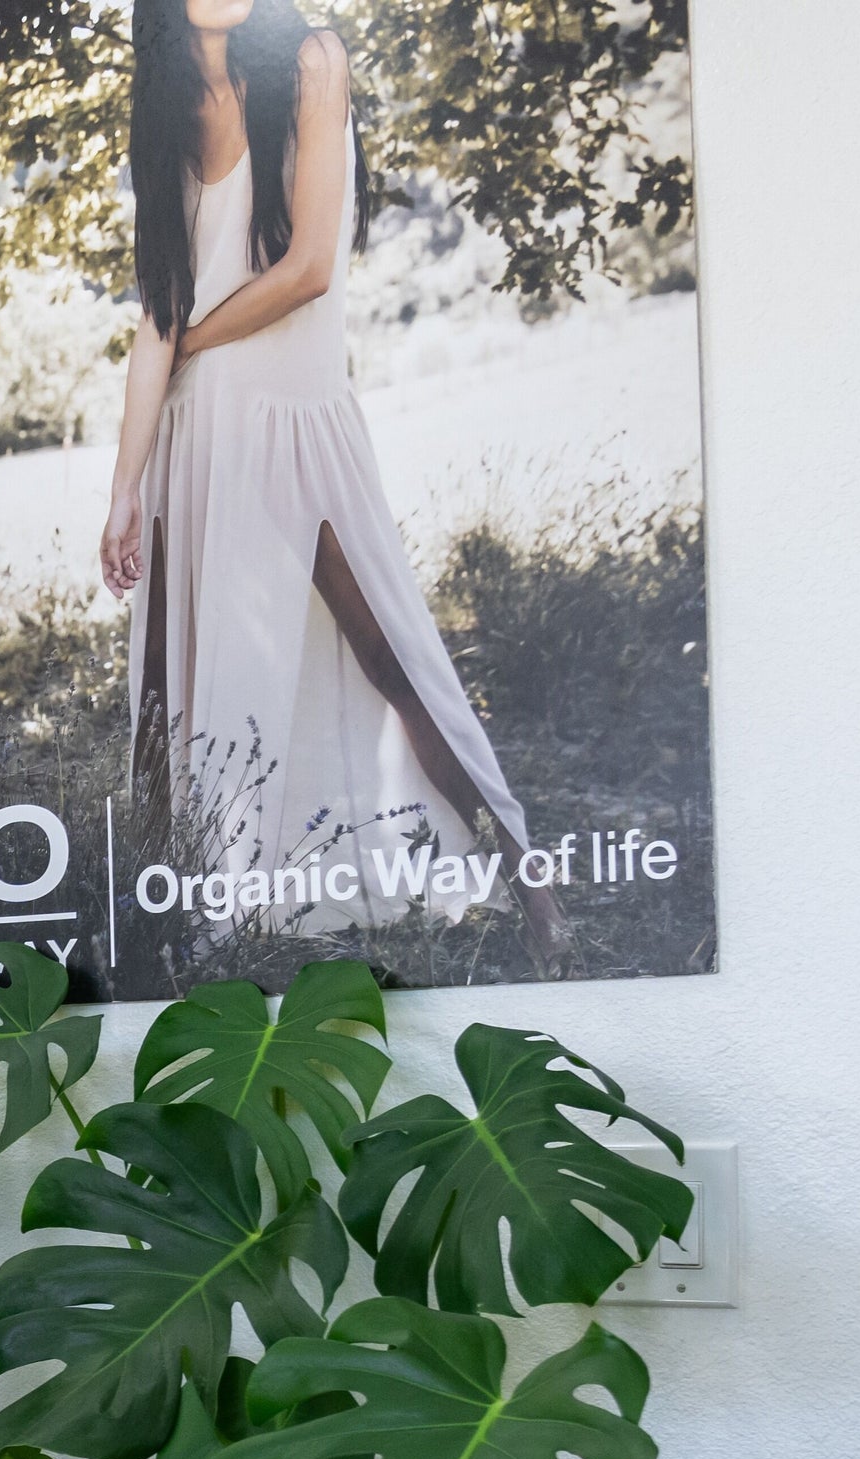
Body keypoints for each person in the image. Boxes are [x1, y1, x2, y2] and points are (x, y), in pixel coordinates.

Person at [97, 0, 566, 955]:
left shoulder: (312, 60)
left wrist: (195, 338)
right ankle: (176, 920)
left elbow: (310, 265)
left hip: (296, 416)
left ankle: (535, 894)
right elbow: (155, 318)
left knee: (391, 653)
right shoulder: (166, 114)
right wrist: (125, 486)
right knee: (167, 689)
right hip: (198, 431)